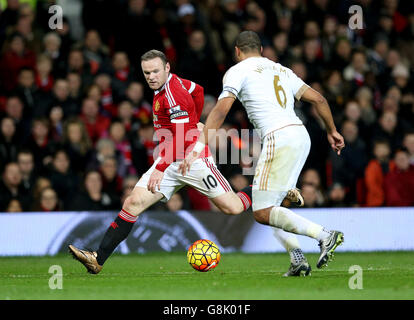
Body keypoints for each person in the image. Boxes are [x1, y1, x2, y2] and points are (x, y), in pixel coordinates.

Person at [69, 49, 290, 274]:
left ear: (167, 68)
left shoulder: (173, 94)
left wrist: (162, 166)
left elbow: (182, 136)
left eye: (155, 71)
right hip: (170, 158)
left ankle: (271, 184)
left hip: (192, 161)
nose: (151, 76)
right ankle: (97, 259)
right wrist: (196, 122)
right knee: (132, 203)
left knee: (233, 207)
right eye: (147, 73)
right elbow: (199, 91)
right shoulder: (172, 84)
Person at [180, 31, 345, 276]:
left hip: (278, 138)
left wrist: (197, 147)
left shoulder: (238, 70)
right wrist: (332, 130)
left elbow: (221, 110)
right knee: (274, 205)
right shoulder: (282, 70)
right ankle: (297, 259)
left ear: (237, 50)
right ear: (261, 49)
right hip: (301, 135)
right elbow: (319, 99)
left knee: (261, 211)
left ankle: (325, 236)